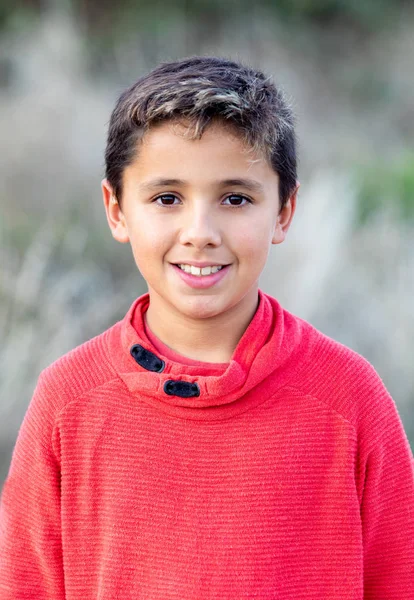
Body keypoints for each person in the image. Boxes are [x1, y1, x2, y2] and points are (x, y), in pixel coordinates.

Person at [0, 55, 413, 599]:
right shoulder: (67, 402)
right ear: (117, 209)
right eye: (166, 198)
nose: (200, 232)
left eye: (235, 198)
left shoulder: (348, 397)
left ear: (285, 212)